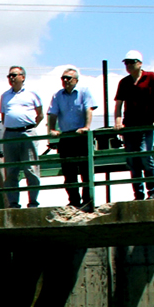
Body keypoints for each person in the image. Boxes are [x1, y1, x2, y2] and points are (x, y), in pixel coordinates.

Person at [113, 50, 154, 200]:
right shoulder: (124, 82)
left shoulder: (150, 77)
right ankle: (138, 194)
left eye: (132, 62)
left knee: (145, 155)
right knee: (132, 160)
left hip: (146, 124)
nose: (129, 65)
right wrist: (117, 122)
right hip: (129, 126)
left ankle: (153, 192)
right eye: (126, 63)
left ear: (140, 63)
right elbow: (118, 104)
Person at [46, 67, 97, 210]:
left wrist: (87, 126)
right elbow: (52, 113)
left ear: (76, 80)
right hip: (66, 136)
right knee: (69, 172)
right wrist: (52, 129)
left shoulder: (84, 91)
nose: (65, 81)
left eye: (68, 78)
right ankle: (74, 201)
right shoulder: (58, 95)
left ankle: (87, 201)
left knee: (86, 171)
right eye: (63, 78)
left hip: (81, 136)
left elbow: (89, 109)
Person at [0, 65, 44, 208]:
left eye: (14, 75)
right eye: (9, 76)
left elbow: (40, 114)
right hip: (10, 134)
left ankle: (33, 202)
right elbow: (4, 116)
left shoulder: (32, 94)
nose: (11, 78)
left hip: (27, 133)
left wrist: (29, 127)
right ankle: (13, 203)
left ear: (22, 77)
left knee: (30, 168)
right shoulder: (5, 96)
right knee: (11, 170)